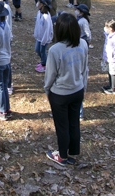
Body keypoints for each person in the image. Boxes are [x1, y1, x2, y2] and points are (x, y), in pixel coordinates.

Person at [44, 13, 89, 166]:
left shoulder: (55, 50)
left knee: (62, 126)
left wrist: (47, 90)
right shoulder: (82, 44)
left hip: (60, 94)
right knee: (74, 122)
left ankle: (62, 156)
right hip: (77, 90)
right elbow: (84, 69)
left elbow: (50, 75)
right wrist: (83, 86)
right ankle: (73, 152)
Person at [34, 0, 54, 73]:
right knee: (37, 49)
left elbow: (48, 29)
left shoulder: (46, 17)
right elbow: (37, 25)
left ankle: (45, 65)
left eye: (39, 2)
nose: (37, 3)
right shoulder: (39, 13)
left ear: (43, 5)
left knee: (42, 51)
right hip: (39, 37)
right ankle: (43, 61)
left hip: (44, 38)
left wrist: (44, 40)